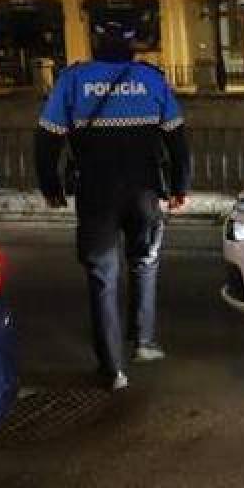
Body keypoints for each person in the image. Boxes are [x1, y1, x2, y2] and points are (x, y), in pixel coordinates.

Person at [34, 19, 191, 392]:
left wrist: (51, 186)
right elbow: (177, 139)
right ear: (132, 46)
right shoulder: (151, 79)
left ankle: (112, 369)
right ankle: (144, 343)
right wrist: (180, 187)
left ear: (95, 44)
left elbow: (46, 141)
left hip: (96, 194)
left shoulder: (73, 80)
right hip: (144, 193)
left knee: (103, 278)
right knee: (144, 263)